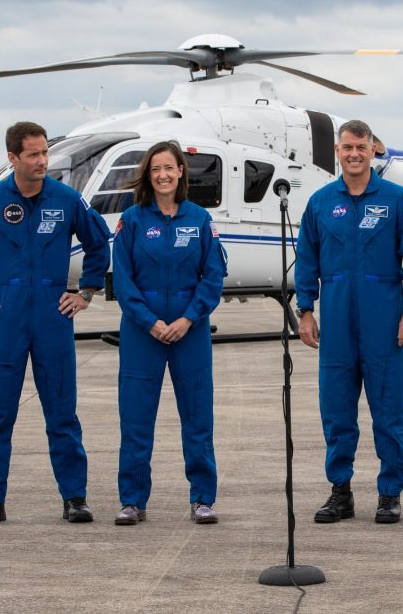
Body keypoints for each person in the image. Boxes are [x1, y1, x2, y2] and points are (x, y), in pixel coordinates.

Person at [0, 121, 111, 527]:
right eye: (33, 155)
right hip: (4, 318)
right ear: (12, 158)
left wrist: (85, 292)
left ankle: (74, 498)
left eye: (45, 153)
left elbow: (98, 243)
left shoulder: (67, 200)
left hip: (53, 316)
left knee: (62, 414)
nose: (42, 162)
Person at [294, 119, 403, 524]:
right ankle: (340, 491)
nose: (354, 154)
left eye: (361, 147)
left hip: (383, 320)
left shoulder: (395, 199)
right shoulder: (320, 203)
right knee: (336, 412)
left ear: (373, 150)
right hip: (335, 321)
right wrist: (305, 311)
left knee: (388, 410)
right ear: (338, 151)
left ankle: (390, 493)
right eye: (347, 147)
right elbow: (306, 262)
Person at [111, 140, 226, 526]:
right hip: (143, 332)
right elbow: (123, 282)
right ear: (149, 174)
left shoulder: (199, 220)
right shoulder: (132, 221)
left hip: (189, 331)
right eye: (156, 168)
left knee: (197, 417)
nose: (163, 175)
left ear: (181, 173)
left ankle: (203, 498)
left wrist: (189, 318)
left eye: (170, 168)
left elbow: (212, 277)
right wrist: (150, 322)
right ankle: (132, 500)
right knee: (136, 419)